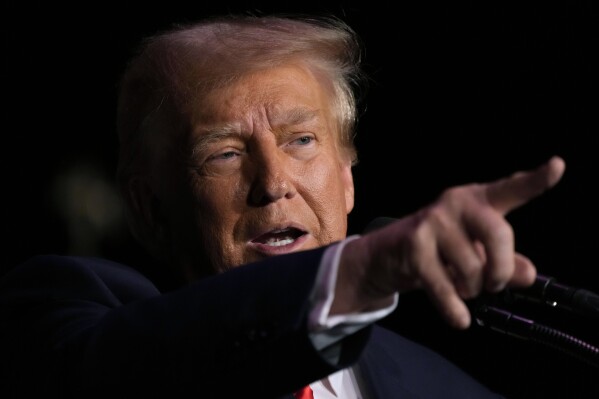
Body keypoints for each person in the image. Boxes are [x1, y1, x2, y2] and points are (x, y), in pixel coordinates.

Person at [0, 12, 566, 399]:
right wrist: (363, 267)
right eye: (223, 154)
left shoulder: (450, 390)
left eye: (301, 141)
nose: (273, 182)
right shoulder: (64, 319)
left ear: (346, 181)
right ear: (150, 208)